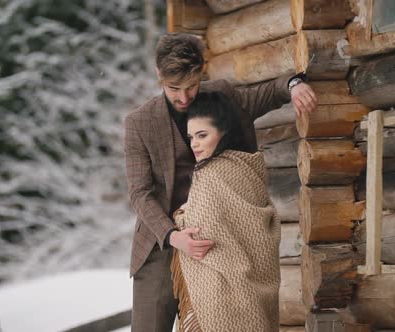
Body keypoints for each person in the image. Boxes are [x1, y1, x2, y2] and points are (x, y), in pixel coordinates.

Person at [124, 33, 316, 332]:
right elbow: (139, 193)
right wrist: (175, 237)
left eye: (191, 86)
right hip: (162, 244)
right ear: (159, 75)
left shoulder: (223, 97)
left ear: (202, 72)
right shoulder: (140, 122)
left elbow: (269, 91)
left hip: (222, 240)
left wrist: (294, 85)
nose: (184, 97)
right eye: (174, 88)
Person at [171, 91, 281, 332]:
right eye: (191, 137)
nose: (195, 144)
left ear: (223, 133)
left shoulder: (210, 174)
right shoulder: (247, 167)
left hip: (221, 295)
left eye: (202, 135)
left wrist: (180, 215)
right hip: (256, 288)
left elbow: (202, 231)